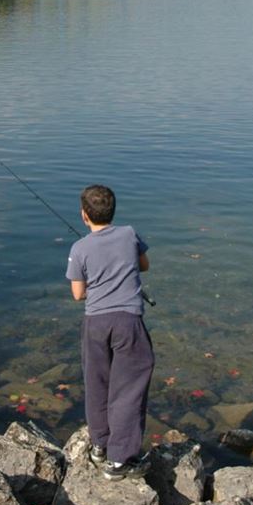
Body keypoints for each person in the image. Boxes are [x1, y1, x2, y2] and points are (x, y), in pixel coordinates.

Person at [66, 184, 155, 481]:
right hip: (128, 322)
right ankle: (120, 460)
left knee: (97, 383)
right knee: (129, 388)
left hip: (95, 324)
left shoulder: (79, 248)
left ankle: (100, 445)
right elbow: (144, 265)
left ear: (84, 216)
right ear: (113, 210)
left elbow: (78, 294)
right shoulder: (130, 234)